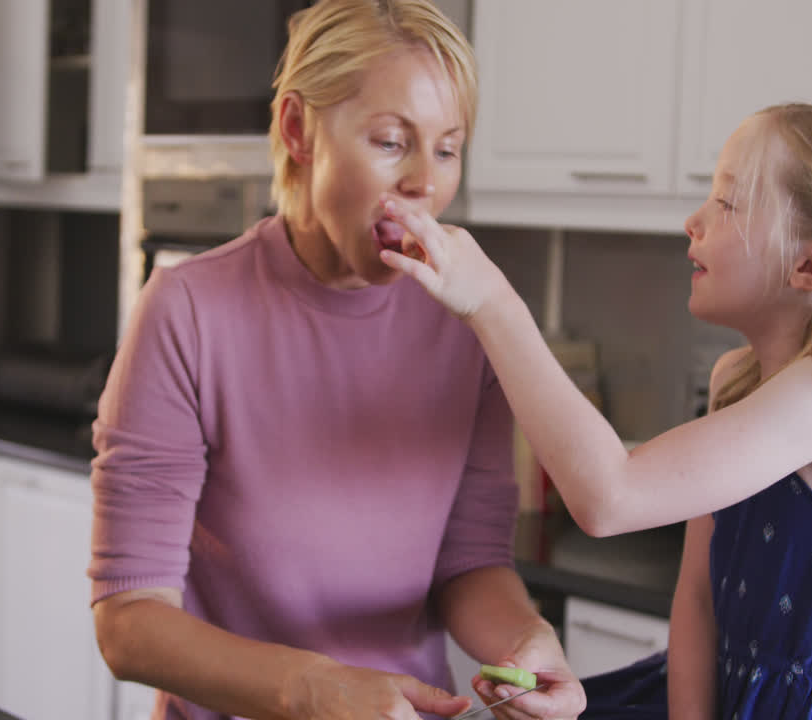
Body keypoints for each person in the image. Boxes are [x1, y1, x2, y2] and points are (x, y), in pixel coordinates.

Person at [87, 2, 586, 719]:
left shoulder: (468, 323)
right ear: (298, 130)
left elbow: (471, 561)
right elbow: (130, 622)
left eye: (448, 149)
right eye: (391, 141)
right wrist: (312, 689)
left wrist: (526, 642)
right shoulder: (188, 311)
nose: (424, 182)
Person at [380, 103, 812, 719]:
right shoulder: (736, 379)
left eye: (726, 203)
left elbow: (609, 496)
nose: (694, 221)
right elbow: (697, 599)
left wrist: (491, 300)